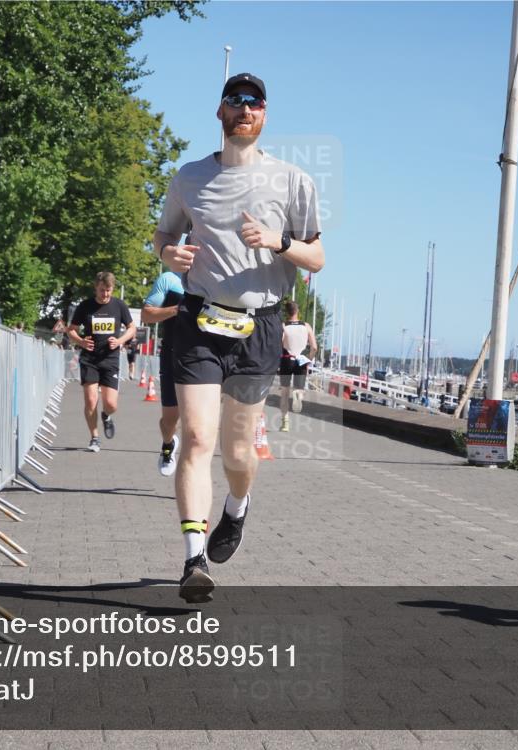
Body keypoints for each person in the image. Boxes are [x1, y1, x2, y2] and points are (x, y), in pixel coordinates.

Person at [153, 72, 324, 602]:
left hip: (261, 325)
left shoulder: (293, 181)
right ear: (220, 112)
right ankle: (193, 559)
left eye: (254, 103)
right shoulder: (189, 177)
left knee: (236, 451)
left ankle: (237, 506)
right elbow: (164, 235)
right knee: (198, 438)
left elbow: (317, 257)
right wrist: (168, 254)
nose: (244, 110)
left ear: (265, 115)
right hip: (200, 320)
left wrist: (279, 241)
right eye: (235, 102)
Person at [67, 272, 136, 453]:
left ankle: (106, 415)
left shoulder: (119, 306)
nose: (105, 294)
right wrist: (81, 341)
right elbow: (71, 330)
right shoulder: (85, 306)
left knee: (111, 404)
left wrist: (120, 341)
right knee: (91, 400)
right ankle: (95, 437)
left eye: (108, 290)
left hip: (110, 358)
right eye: (102, 290)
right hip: (89, 358)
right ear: (95, 288)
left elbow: (132, 328)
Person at [142, 270, 186, 477]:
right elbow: (147, 315)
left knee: (197, 426)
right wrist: (178, 309)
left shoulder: (216, 281)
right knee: (169, 421)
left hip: (205, 357)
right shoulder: (170, 280)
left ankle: (191, 476)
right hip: (172, 354)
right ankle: (168, 446)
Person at [278, 300, 317, 431]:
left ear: (286, 312)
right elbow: (314, 347)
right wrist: (308, 359)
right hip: (301, 359)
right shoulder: (306, 326)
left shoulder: (283, 326)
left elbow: (279, 345)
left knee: (284, 393)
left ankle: (285, 422)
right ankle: (298, 395)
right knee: (299, 388)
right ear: (297, 311)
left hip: (287, 359)